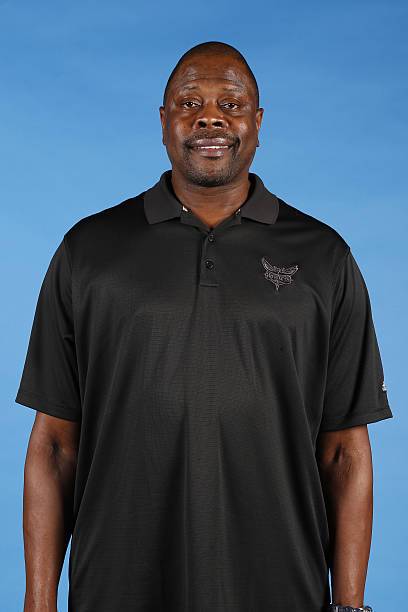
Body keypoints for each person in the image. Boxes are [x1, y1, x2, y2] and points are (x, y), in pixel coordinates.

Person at [15, 41, 392, 612]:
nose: (210, 117)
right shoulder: (88, 251)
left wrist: (349, 606)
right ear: (163, 120)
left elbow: (345, 452)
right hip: (117, 589)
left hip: (280, 590)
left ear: (257, 122)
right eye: (189, 102)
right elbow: (52, 448)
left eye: (230, 104)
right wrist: (38, 604)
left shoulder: (324, 258)